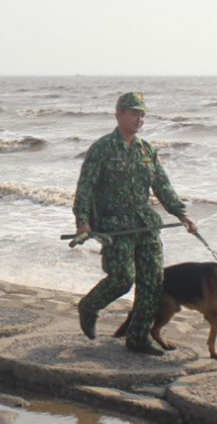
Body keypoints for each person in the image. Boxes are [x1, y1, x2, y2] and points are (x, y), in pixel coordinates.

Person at [73, 92, 198, 355]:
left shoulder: (147, 150)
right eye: (133, 113)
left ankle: (138, 337)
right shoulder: (102, 149)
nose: (139, 119)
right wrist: (83, 222)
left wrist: (182, 215)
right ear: (118, 115)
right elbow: (85, 187)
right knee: (122, 279)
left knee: (152, 281)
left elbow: (162, 186)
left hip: (145, 224)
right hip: (116, 226)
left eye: (142, 114)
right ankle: (89, 306)